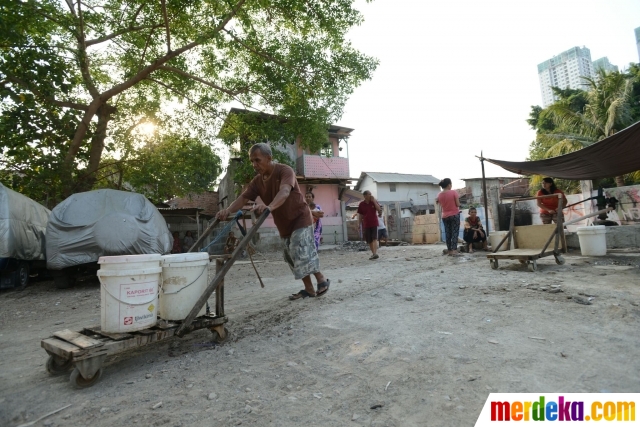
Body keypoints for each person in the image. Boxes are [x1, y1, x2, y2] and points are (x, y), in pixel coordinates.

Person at [216, 143, 330, 300]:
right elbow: (243, 198)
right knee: (290, 255)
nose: (254, 165)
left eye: (257, 160)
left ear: (269, 158)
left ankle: (321, 279)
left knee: (300, 249)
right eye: (252, 161)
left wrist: (269, 206)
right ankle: (309, 289)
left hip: (300, 218)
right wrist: (227, 211)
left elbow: (284, 192)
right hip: (283, 223)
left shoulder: (285, 171)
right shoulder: (257, 181)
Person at [435, 178, 461, 256]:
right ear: (449, 184)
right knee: (455, 233)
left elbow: (439, 203)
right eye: (451, 184)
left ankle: (449, 250)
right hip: (454, 215)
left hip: (445, 216)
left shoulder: (439, 194)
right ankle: (454, 250)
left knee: (448, 233)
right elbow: (458, 204)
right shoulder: (453, 192)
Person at [357, 190, 381, 260]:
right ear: (365, 196)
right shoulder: (361, 204)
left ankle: (375, 253)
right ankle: (373, 253)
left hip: (374, 222)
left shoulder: (373, 202)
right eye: (369, 194)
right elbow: (360, 215)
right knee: (369, 240)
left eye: (371, 194)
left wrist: (374, 201)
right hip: (366, 224)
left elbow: (379, 209)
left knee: (374, 238)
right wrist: (359, 224)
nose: (370, 195)